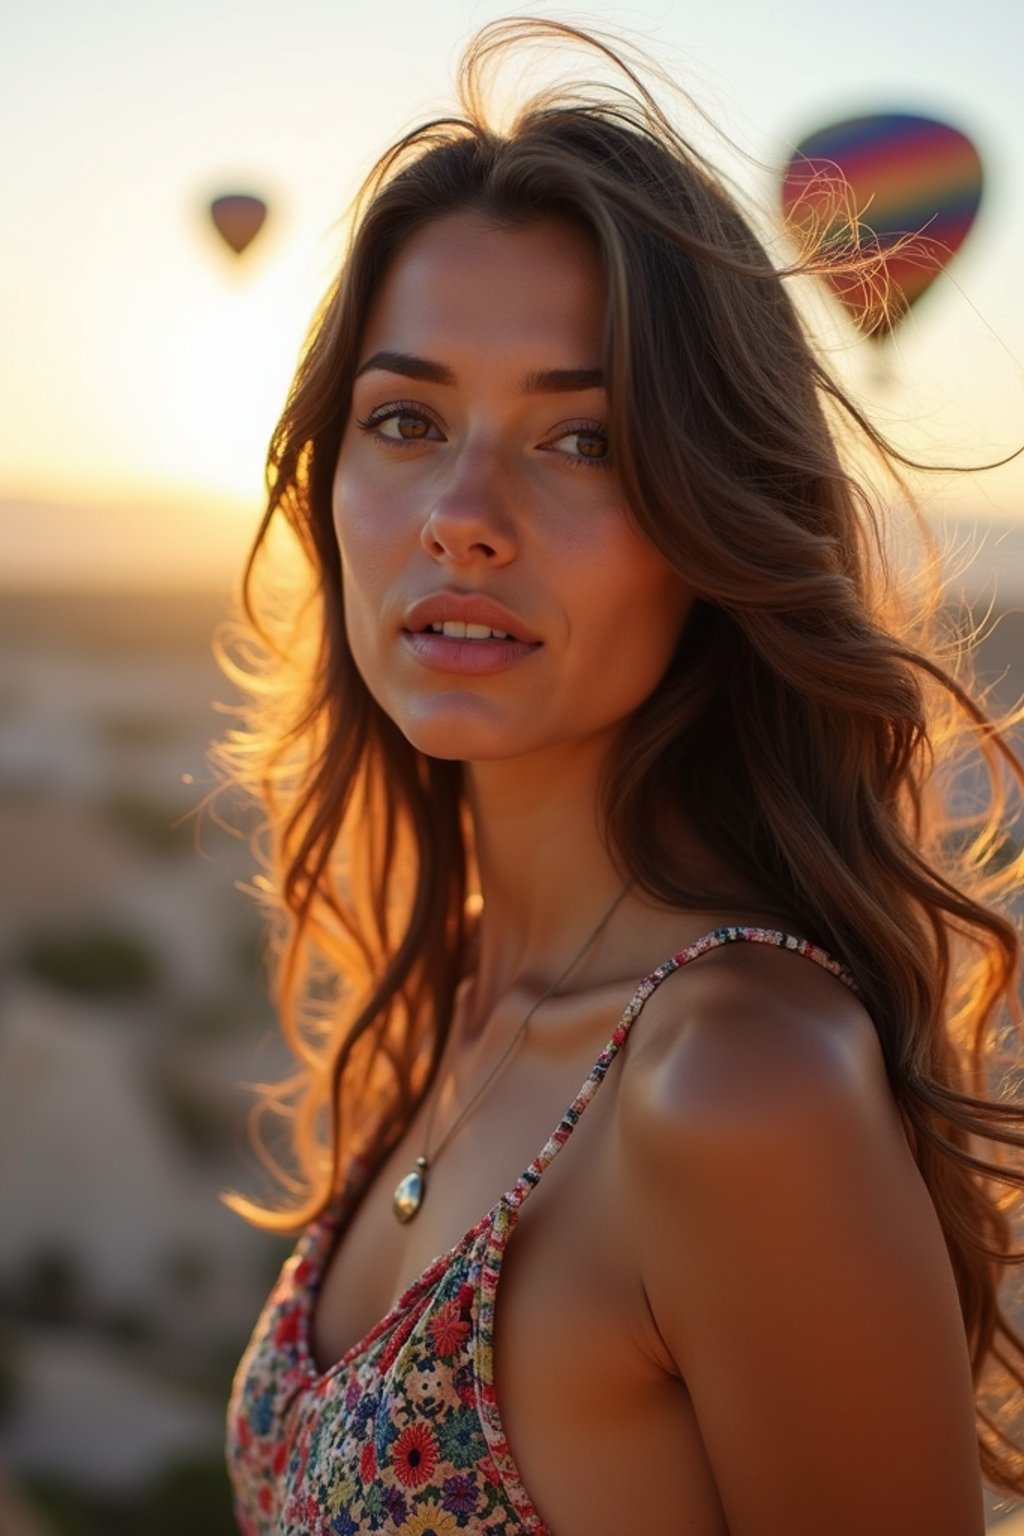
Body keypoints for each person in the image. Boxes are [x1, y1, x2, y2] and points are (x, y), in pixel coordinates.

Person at [218, 18, 1024, 1535]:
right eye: (406, 419)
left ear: (710, 517)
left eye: (581, 439)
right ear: (329, 483)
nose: (464, 514)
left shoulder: (736, 1086)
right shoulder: (451, 1001)